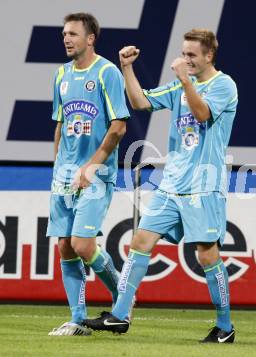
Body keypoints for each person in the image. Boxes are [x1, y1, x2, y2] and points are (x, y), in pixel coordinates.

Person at [84, 29, 238, 344]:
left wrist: (184, 80)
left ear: (209, 55)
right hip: (172, 184)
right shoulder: (183, 83)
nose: (186, 59)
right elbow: (141, 101)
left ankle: (225, 326)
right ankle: (120, 315)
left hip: (203, 186)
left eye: (193, 55)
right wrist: (127, 68)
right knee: (140, 240)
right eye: (184, 54)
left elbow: (202, 113)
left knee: (207, 255)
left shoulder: (224, 85)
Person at [46, 12, 130, 336]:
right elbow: (60, 124)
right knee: (65, 245)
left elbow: (119, 126)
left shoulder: (107, 72)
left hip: (96, 174)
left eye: (73, 34)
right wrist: (56, 165)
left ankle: (123, 298)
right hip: (63, 176)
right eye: (64, 33)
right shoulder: (61, 75)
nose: (66, 38)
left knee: (83, 244)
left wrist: (93, 165)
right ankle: (78, 319)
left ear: (90, 38)